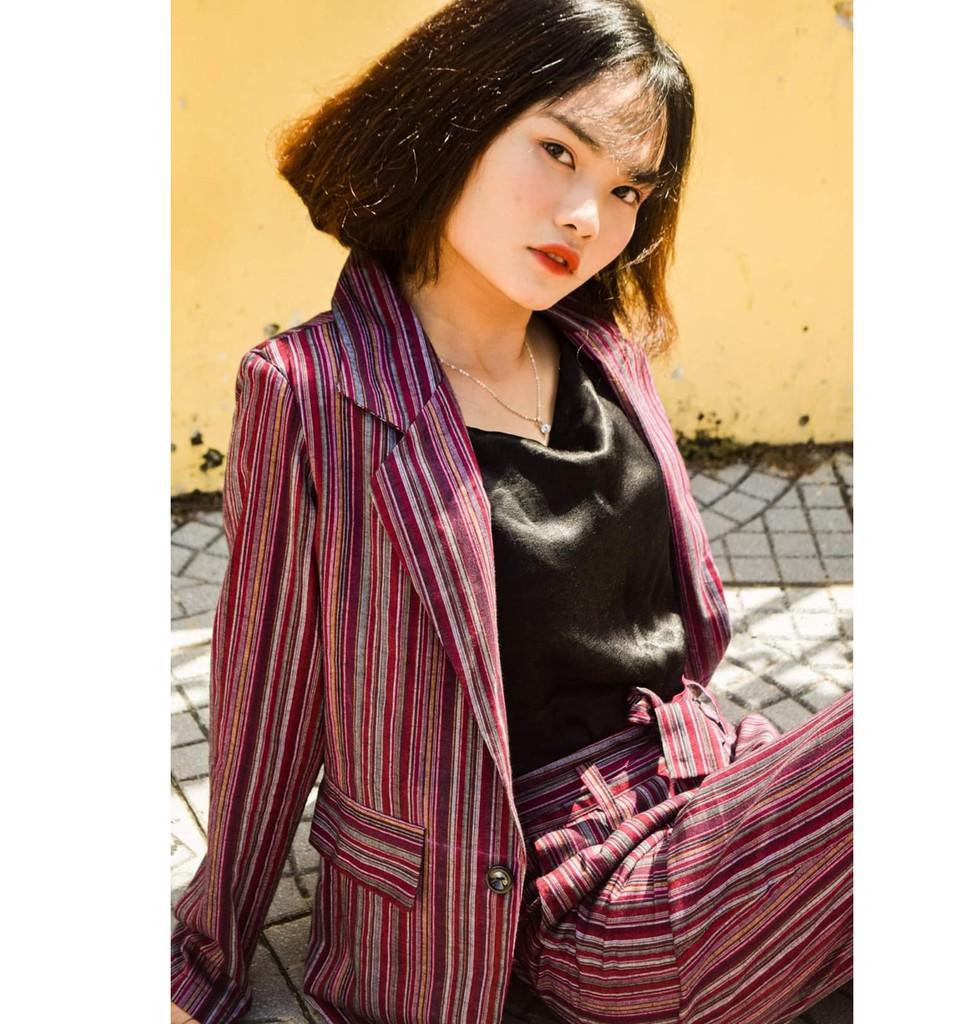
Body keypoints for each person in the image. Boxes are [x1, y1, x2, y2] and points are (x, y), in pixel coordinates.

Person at [170, 1, 852, 1022]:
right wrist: (203, 960)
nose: (587, 217)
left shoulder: (602, 351)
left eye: (626, 189)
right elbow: (268, 684)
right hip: (559, 896)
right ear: (458, 118)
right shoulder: (315, 390)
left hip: (702, 796)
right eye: (557, 151)